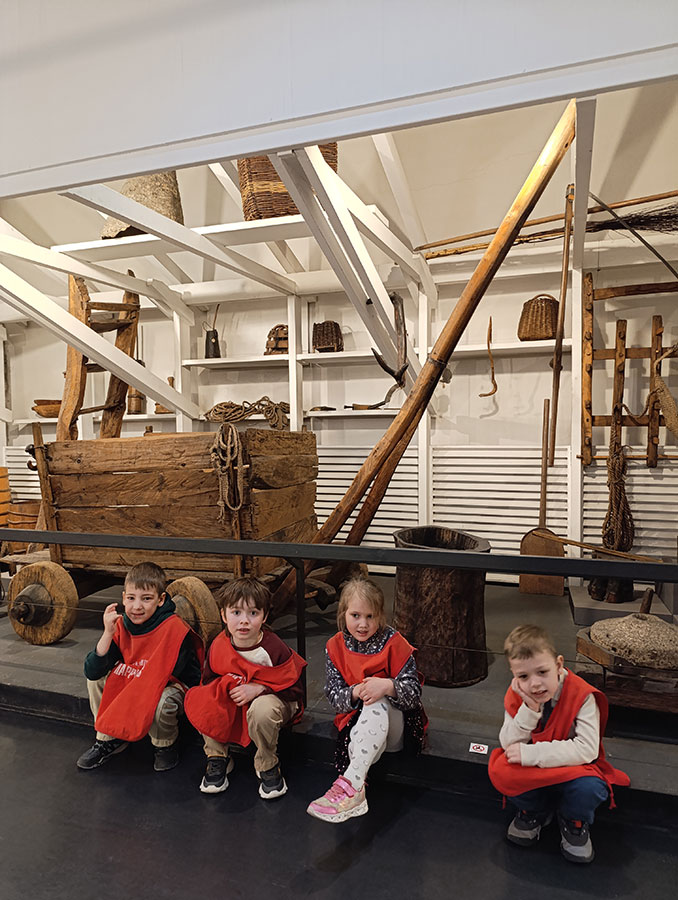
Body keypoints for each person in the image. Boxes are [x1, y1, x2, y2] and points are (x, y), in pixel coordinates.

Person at [487, 624, 630, 864]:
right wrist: (529, 709)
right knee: (501, 770)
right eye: (523, 676)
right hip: (537, 769)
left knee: (590, 787)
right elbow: (508, 743)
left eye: (542, 672)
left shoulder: (582, 695)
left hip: (571, 768)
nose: (535, 684)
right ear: (514, 675)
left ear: (559, 665)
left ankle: (573, 820)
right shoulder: (517, 693)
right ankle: (534, 811)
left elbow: (586, 749)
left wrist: (532, 754)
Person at [307, 577, 426, 823]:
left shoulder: (395, 643)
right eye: (356, 615)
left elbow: (414, 694)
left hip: (396, 727)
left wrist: (387, 686)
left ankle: (351, 786)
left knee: (377, 699)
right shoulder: (335, 645)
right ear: (343, 613)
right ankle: (355, 782)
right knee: (368, 706)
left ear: (380, 616)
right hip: (358, 730)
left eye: (370, 616)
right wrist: (355, 692)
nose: (363, 624)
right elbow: (334, 697)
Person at [184, 576, 306, 799]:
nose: (244, 621)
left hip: (273, 700)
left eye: (253, 613)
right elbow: (208, 681)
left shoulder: (273, 648)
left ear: (264, 616)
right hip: (237, 701)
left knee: (262, 709)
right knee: (203, 698)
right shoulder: (219, 644)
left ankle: (267, 763)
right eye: (236, 612)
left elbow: (295, 690)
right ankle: (217, 756)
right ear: (223, 615)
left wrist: (260, 688)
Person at [76, 561, 203, 772]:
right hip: (138, 678)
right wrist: (107, 633)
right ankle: (109, 738)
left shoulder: (174, 628)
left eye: (146, 599)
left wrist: (130, 680)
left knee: (162, 699)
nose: (137, 607)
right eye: (131, 598)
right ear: (123, 597)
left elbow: (163, 678)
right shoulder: (121, 624)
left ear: (160, 600)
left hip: (171, 685)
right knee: (96, 679)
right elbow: (92, 670)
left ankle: (164, 744)